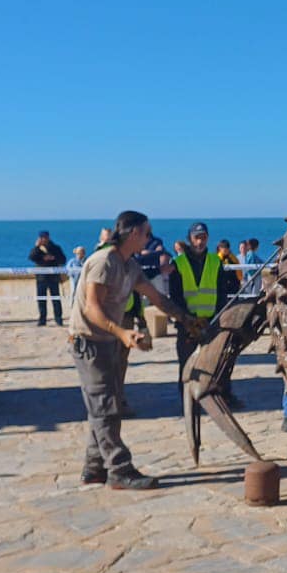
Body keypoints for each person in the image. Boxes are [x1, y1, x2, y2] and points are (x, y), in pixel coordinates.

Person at [69, 210, 192, 490]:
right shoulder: (103, 262)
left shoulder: (129, 265)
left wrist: (186, 319)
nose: (150, 238)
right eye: (147, 233)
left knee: (105, 404)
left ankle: (94, 468)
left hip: (107, 341)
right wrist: (122, 332)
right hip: (89, 342)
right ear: (134, 233)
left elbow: (156, 297)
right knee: (105, 407)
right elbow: (92, 308)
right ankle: (119, 469)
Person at [169, 222, 241, 399]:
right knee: (187, 365)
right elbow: (175, 295)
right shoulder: (178, 263)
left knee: (216, 362)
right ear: (190, 239)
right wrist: (188, 320)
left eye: (203, 237)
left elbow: (222, 292)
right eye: (196, 238)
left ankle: (221, 396)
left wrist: (218, 318)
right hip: (187, 324)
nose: (200, 242)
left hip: (211, 322)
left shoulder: (215, 261)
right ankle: (188, 402)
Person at [28, 230, 68, 326]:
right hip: (41, 277)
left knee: (56, 299)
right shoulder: (37, 249)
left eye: (45, 237)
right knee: (41, 299)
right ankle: (42, 319)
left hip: (53, 277)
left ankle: (58, 319)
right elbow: (31, 257)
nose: (43, 239)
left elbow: (63, 260)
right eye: (41, 238)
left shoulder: (55, 248)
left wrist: (53, 258)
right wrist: (36, 247)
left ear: (48, 238)